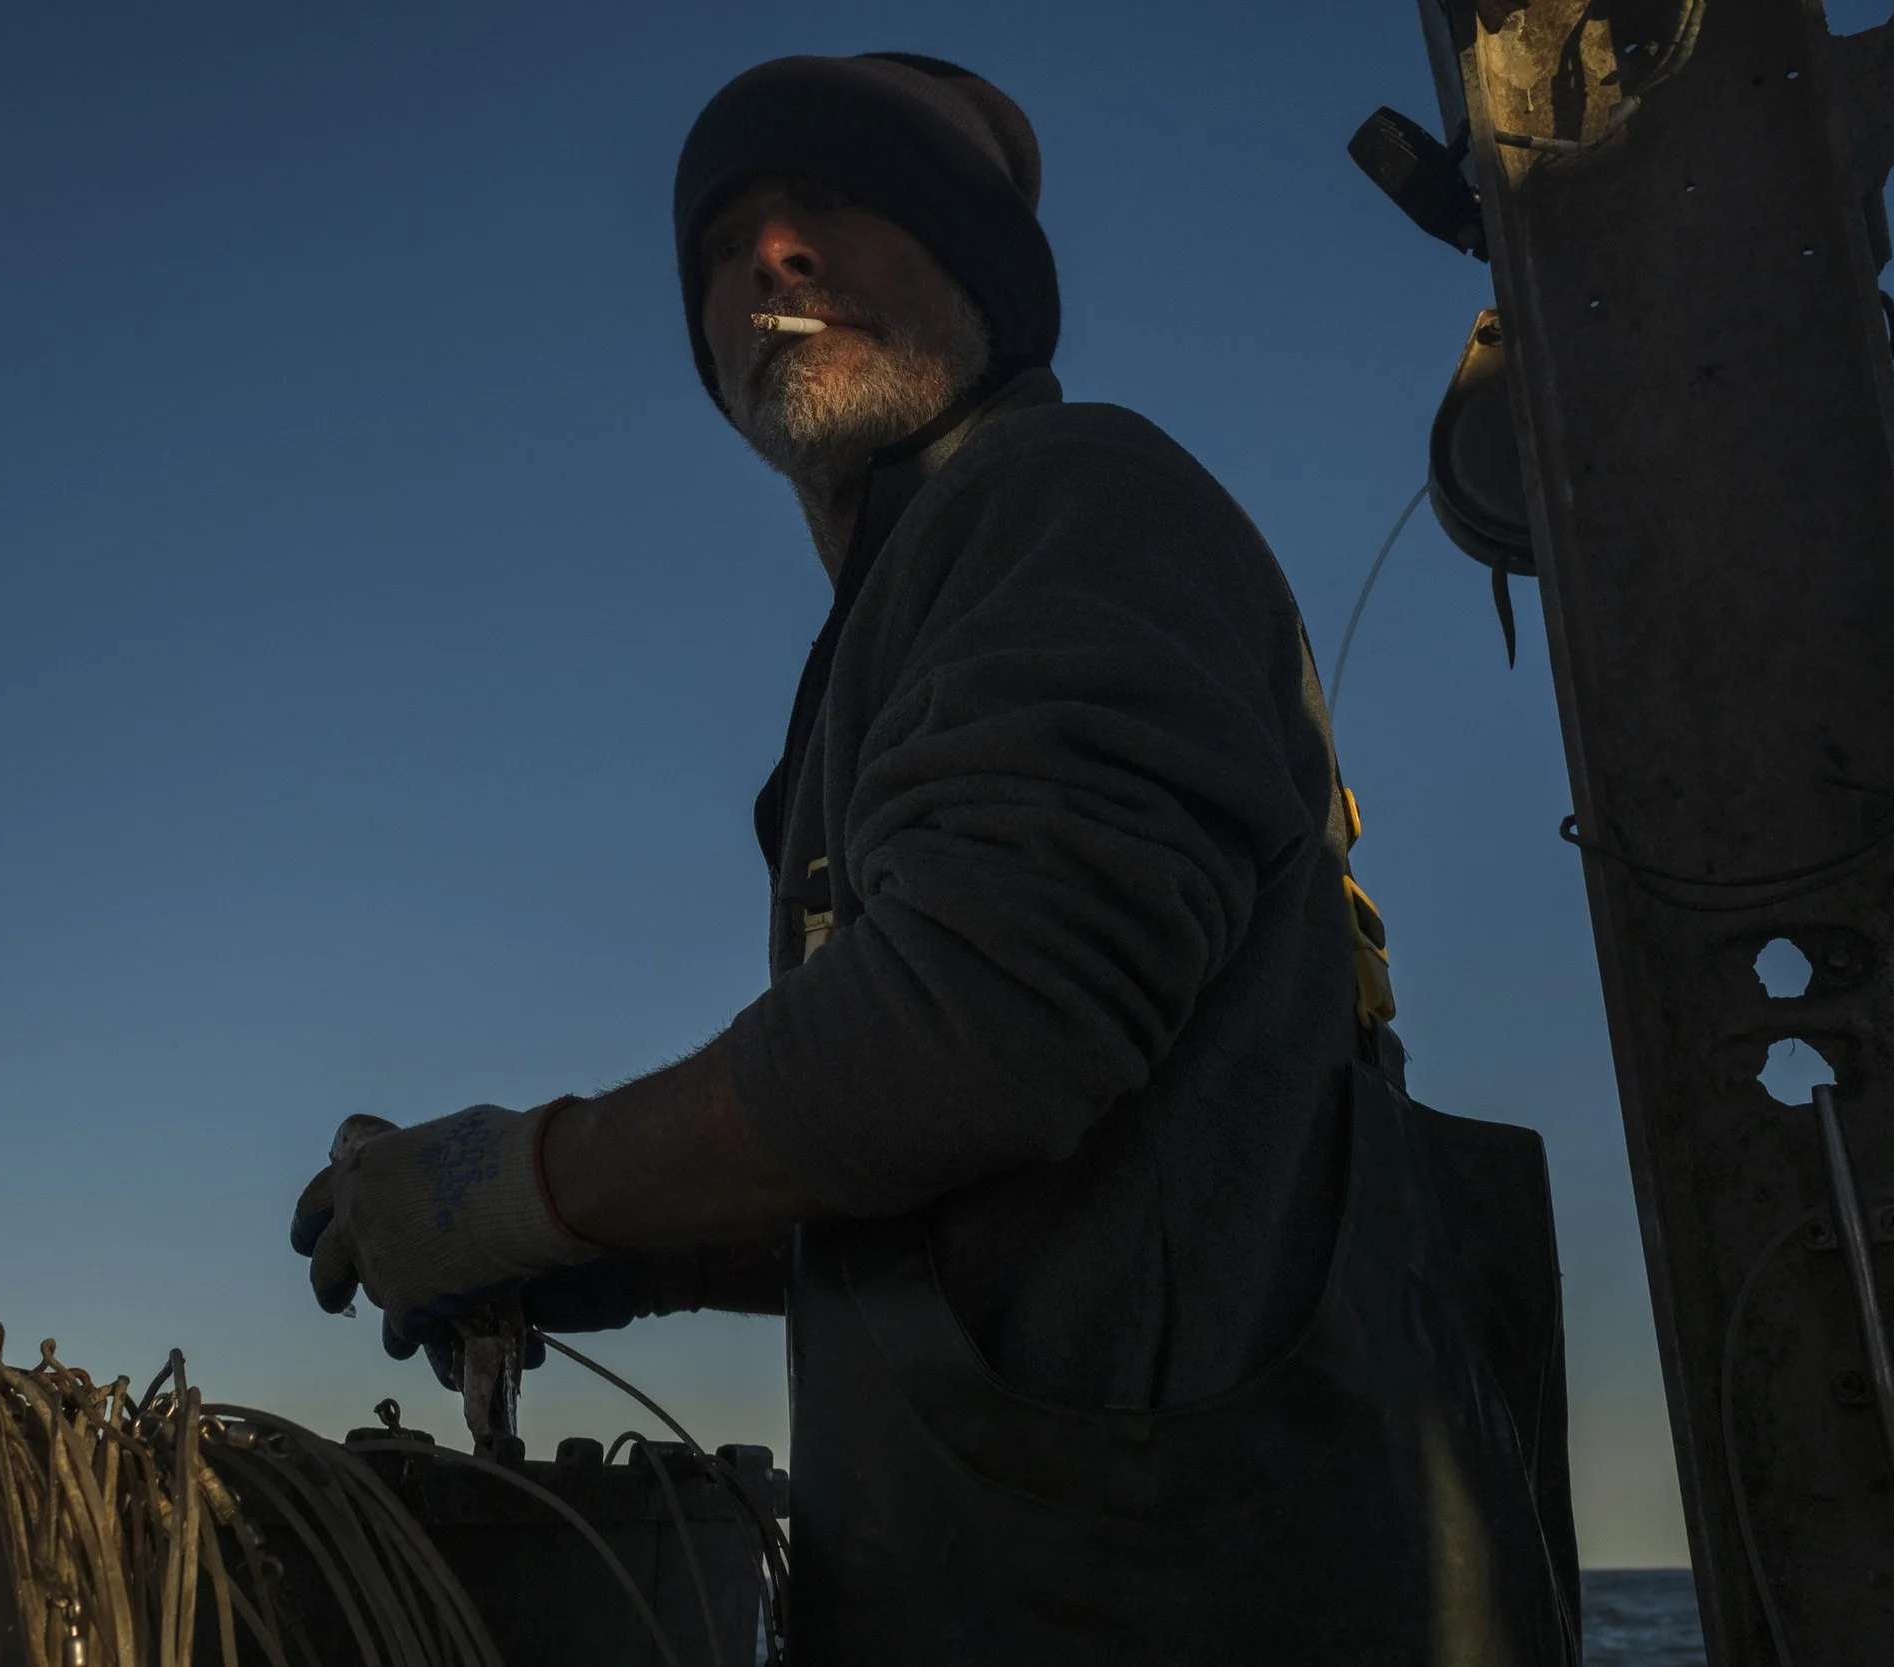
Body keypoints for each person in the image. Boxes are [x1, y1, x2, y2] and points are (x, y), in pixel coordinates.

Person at [291, 52, 1579, 1664]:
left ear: (983, 275)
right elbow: (969, 1183)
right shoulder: (910, 609)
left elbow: (976, 1029)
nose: (769, 256)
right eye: (722, 240)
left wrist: (512, 1184)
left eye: (834, 201)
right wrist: (596, 1256)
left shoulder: (1068, 494)